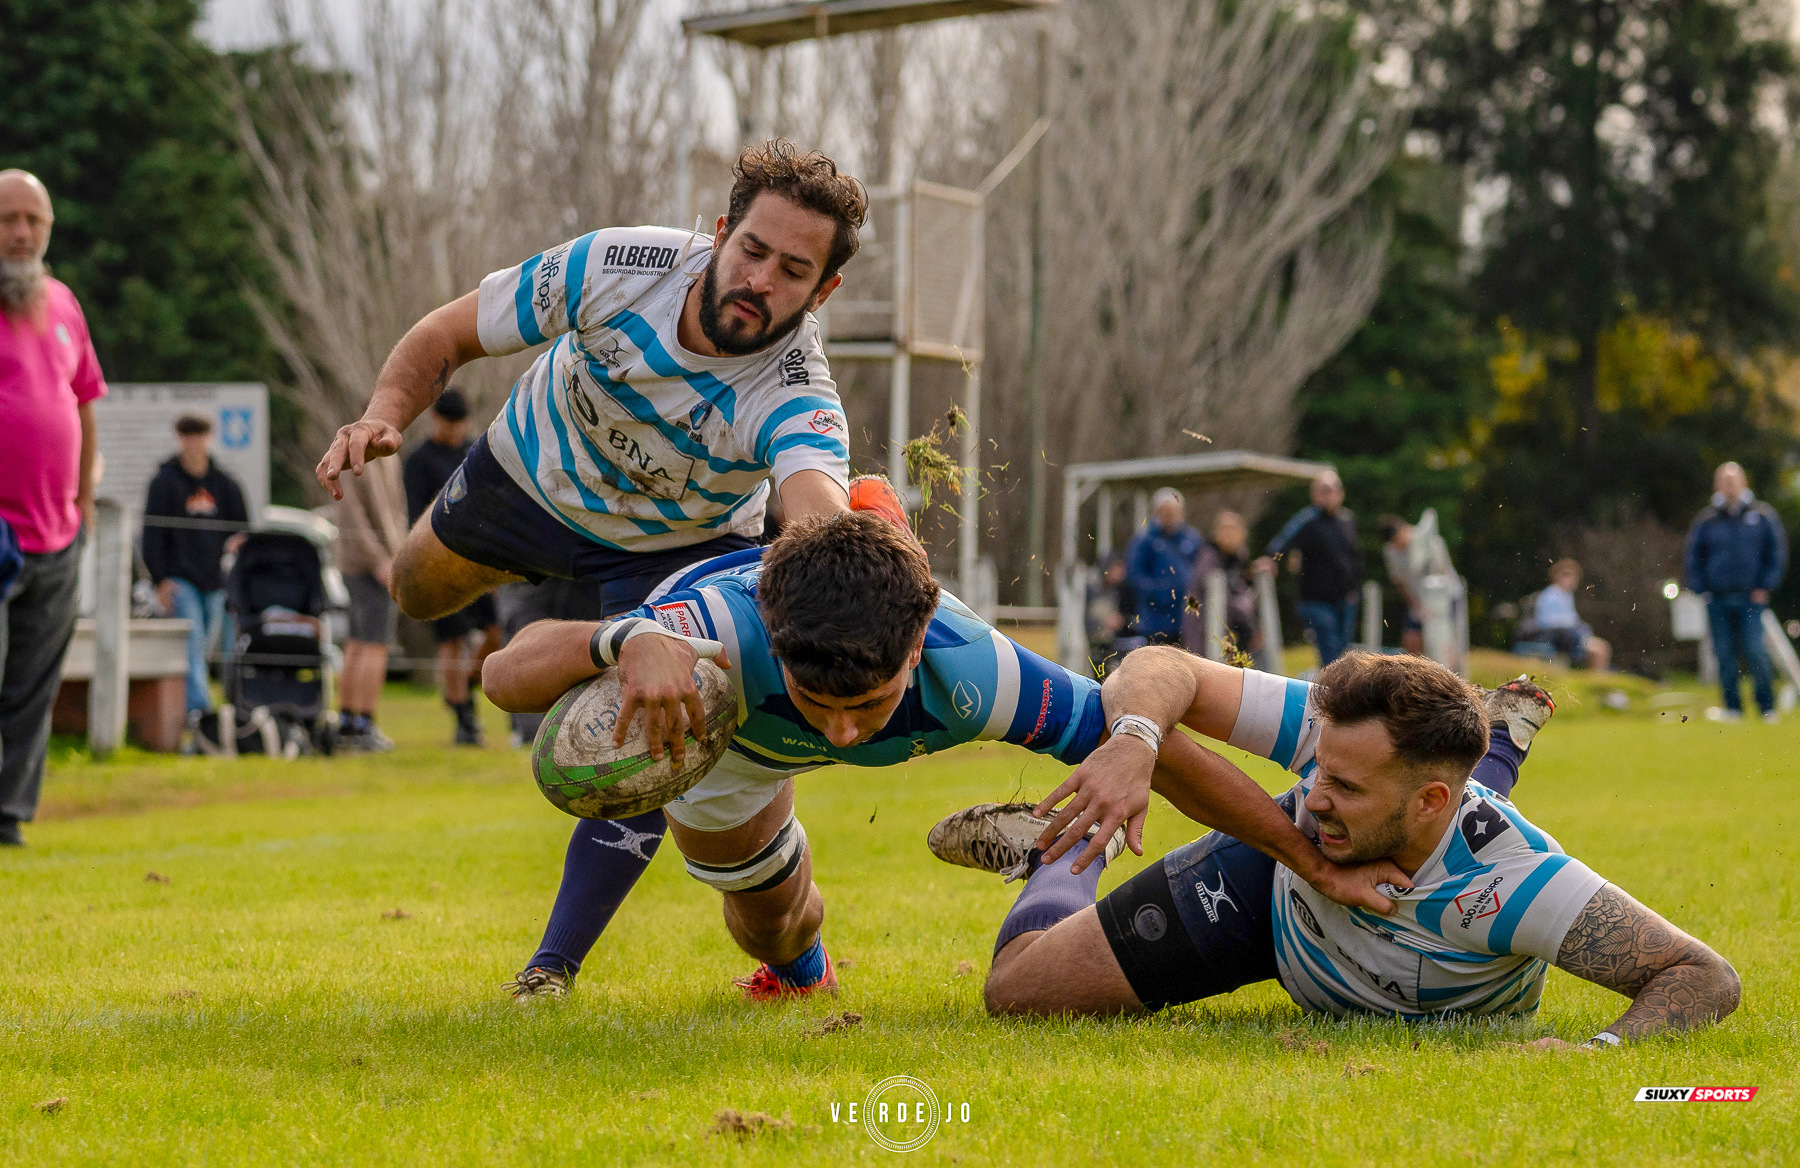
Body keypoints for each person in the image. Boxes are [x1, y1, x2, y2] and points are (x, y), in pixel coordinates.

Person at [316, 141, 879, 994]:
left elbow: (812, 512)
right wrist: (382, 415)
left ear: (822, 290)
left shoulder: (796, 389)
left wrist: (848, 576)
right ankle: (560, 599)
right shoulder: (621, 266)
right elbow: (448, 333)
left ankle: (552, 969)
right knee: (412, 589)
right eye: (753, 251)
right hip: (533, 472)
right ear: (722, 233)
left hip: (680, 546)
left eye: (793, 270)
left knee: (659, 723)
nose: (761, 279)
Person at [481, 511, 1402, 1000]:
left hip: (840, 677)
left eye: (868, 709)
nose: (842, 735)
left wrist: (1304, 858)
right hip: (731, 743)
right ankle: (800, 973)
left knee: (778, 913)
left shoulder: (976, 671)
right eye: (821, 706)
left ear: (917, 646)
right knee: (770, 922)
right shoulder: (714, 631)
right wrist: (623, 639)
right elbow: (500, 674)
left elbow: (1168, 760)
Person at [948, 648, 1741, 1048]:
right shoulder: (1331, 740)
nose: (1314, 794)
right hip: (1281, 893)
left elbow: (1702, 974)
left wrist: (1601, 1052)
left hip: (1435, 835)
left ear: (1433, 797)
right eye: (1316, 769)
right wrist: (1137, 737)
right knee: (1019, 991)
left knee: (1473, 801)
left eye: (1346, 787)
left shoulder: (1514, 881)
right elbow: (1156, 666)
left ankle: (1502, 739)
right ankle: (1058, 852)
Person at [0, 170, 104, 847]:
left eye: (33, 219)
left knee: (35, 681)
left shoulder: (63, 303)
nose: (20, 232)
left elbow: (85, 400)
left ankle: (8, 815)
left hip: (59, 530)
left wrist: (85, 500)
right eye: (7, 219)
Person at [402, 387, 500, 745]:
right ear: (435, 419)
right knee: (453, 639)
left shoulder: (473, 453)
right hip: (439, 559)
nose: (456, 430)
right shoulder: (419, 461)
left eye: (461, 424)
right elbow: (413, 514)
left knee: (494, 631)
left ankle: (466, 686)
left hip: (479, 557)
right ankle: (463, 715)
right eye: (450, 423)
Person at [142, 414, 250, 719]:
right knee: (192, 643)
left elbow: (242, 531)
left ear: (208, 438)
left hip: (216, 582)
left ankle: (222, 706)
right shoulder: (164, 483)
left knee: (207, 648)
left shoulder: (225, 484)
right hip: (180, 580)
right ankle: (198, 712)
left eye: (199, 435)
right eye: (187, 436)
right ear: (180, 439)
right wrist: (160, 580)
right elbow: (152, 535)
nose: (193, 443)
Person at [1684, 461, 1787, 722]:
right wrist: (1701, 588)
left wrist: (1766, 586)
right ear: (1717, 485)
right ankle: (1733, 708)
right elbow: (1693, 557)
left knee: (1755, 651)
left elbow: (1776, 554)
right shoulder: (1706, 520)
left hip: (1751, 598)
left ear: (1743, 483)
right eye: (1724, 481)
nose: (1729, 486)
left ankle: (1766, 707)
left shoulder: (1762, 516)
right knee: (1724, 656)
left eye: (1733, 480)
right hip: (1717, 599)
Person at [333, 432, 408, 752]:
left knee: (358, 642)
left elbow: (398, 512)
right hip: (366, 566)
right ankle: (361, 722)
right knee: (373, 645)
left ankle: (349, 722)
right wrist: (380, 561)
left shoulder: (390, 457)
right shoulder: (354, 455)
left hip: (384, 560)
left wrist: (401, 554)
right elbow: (352, 516)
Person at [1262, 470, 1362, 668]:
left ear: (1340, 493)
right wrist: (1271, 560)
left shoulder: (1348, 520)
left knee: (1342, 650)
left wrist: (1355, 591)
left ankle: (1337, 689)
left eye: (1332, 490)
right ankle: (1330, 692)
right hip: (1316, 600)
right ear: (1314, 494)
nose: (1328, 495)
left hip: (1346, 598)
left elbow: (1355, 557)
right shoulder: (1307, 521)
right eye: (1323, 491)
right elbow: (1281, 544)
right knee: (1329, 648)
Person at [1124, 488, 1202, 645]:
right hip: (1156, 621)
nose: (1170, 516)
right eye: (1165, 511)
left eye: (1173, 511)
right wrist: (1161, 594)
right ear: (1156, 512)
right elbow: (1135, 575)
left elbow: (1200, 570)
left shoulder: (1192, 539)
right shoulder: (1144, 542)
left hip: (1187, 620)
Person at [1181, 509, 1257, 659]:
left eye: (1233, 528)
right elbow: (1214, 596)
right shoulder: (1208, 558)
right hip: (1207, 629)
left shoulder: (1240, 558)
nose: (1228, 533)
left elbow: (1243, 590)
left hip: (1233, 628)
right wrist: (1242, 611)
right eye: (1224, 528)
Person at [1531, 559, 1611, 672]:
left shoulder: (1567, 596)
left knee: (1602, 647)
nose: (1572, 581)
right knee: (1599, 650)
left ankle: (1596, 678)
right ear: (1558, 576)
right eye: (1568, 576)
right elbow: (1547, 622)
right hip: (1557, 639)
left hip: (1569, 637)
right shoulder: (1551, 595)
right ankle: (1595, 679)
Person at [1379, 515, 1424, 655]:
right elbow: (1399, 582)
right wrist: (1414, 604)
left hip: (1441, 599)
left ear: (1404, 530)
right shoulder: (1390, 551)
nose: (1397, 545)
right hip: (1416, 602)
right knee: (1410, 642)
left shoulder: (1425, 540)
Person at [1086, 553, 1137, 672]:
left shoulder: (1119, 590)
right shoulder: (1090, 589)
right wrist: (1102, 622)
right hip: (1091, 645)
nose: (1120, 573)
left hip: (1108, 644)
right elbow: (1081, 620)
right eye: (1116, 568)